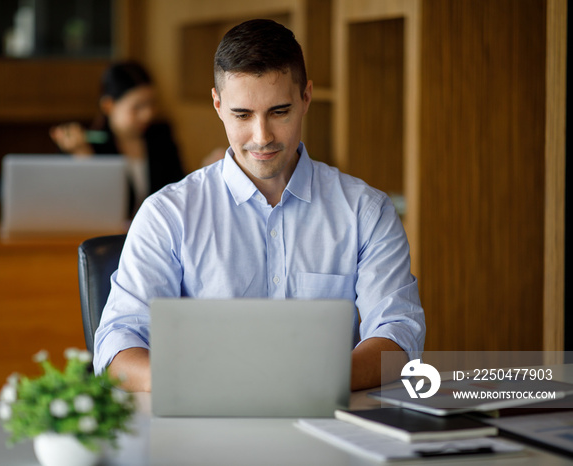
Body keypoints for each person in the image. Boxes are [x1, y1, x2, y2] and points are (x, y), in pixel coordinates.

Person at [93, 19, 425, 392]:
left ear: (306, 98)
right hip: (204, 428)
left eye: (279, 111)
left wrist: (311, 383)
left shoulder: (366, 211)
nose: (262, 137)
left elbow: (399, 335)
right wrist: (202, 384)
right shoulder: (167, 214)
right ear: (218, 105)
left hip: (327, 423)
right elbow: (117, 345)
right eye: (242, 115)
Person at [50, 61, 184, 215]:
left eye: (151, 104)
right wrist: (83, 156)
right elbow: (91, 204)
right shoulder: (89, 145)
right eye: (137, 107)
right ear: (108, 106)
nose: (147, 114)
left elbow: (177, 189)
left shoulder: (161, 138)